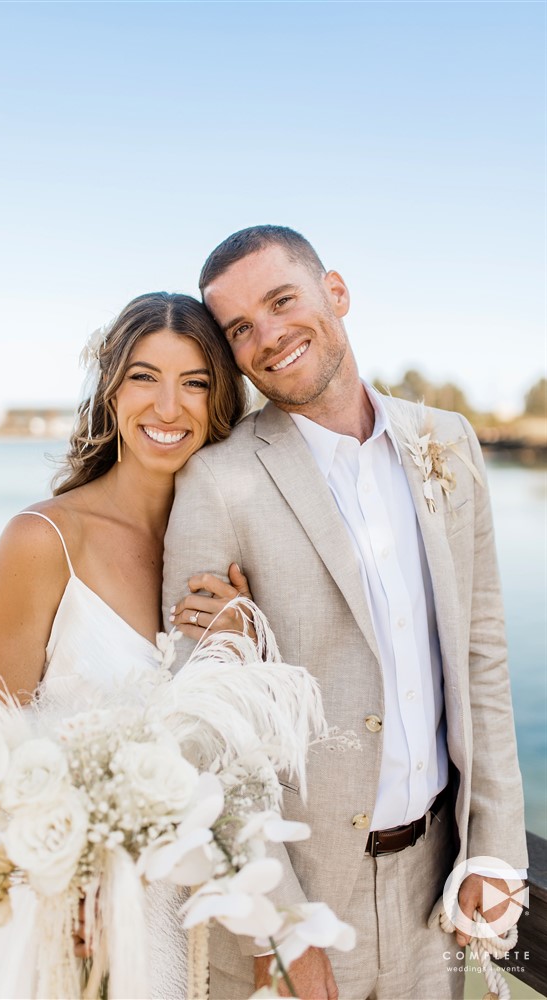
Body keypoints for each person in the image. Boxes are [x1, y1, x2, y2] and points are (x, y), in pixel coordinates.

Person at [163, 226, 528, 1000]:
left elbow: (482, 650)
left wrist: (494, 847)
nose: (267, 337)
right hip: (301, 902)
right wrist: (284, 924)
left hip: (438, 888)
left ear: (336, 292)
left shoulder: (448, 442)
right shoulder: (215, 483)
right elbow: (207, 739)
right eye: (238, 329)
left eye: (281, 300)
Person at [0, 291, 250, 1000]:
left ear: (221, 399)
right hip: (56, 912)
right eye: (144, 376)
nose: (168, 406)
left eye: (195, 381)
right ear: (111, 391)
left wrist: (241, 641)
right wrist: (70, 884)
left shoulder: (223, 554)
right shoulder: (42, 540)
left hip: (179, 907)